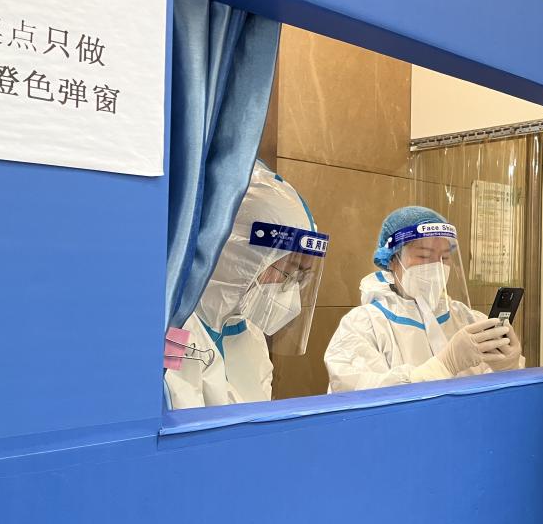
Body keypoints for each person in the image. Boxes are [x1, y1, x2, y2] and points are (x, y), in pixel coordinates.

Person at [166, 161, 328, 409]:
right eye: (287, 271)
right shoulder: (173, 331)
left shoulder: (249, 333)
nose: (291, 289)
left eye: (300, 276)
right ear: (240, 257)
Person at [325, 206, 523, 392]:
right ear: (392, 260)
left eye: (445, 258)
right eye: (424, 256)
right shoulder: (363, 325)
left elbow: (497, 399)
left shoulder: (467, 318)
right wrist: (444, 365)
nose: (437, 266)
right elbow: (362, 397)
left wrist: (507, 368)